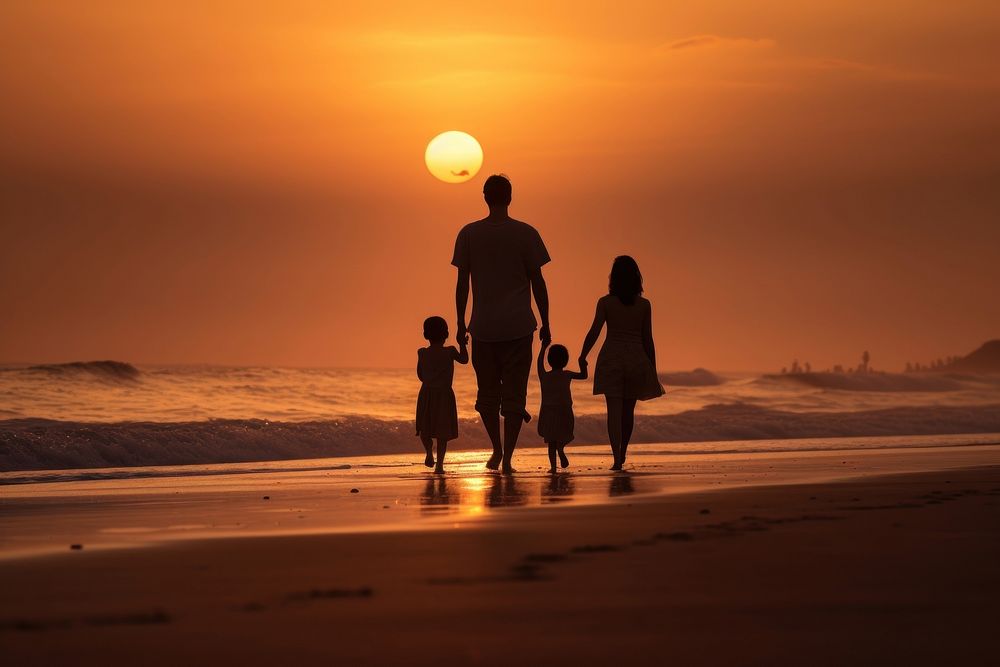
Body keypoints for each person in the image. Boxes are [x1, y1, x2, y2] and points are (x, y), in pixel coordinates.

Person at [453, 174, 551, 474]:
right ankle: (507, 455)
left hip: (483, 327)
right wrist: (546, 322)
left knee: (487, 396)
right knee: (514, 395)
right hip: (519, 327)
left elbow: (462, 284)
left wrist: (460, 322)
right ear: (510, 197)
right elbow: (538, 282)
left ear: (485, 197)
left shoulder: (469, 233)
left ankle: (496, 448)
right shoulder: (526, 233)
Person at [579, 256, 664, 470]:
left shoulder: (606, 302)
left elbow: (595, 331)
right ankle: (624, 450)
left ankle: (616, 457)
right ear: (637, 278)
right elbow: (648, 339)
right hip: (636, 359)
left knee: (614, 412)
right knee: (628, 412)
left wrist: (583, 354)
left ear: (613, 278)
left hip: (611, 359)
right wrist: (652, 367)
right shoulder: (644, 305)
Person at [415, 316, 468, 473]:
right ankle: (439, 465)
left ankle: (429, 453)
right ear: (446, 334)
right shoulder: (450, 351)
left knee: (425, 428)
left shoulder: (422, 353)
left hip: (427, 394)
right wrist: (462, 344)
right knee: (442, 433)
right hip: (444, 395)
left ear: (425, 335)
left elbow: (421, 376)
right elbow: (465, 360)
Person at [536, 340, 587, 472]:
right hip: (565, 410)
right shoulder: (567, 374)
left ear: (549, 360)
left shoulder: (544, 376)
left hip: (548, 411)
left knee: (551, 442)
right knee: (566, 434)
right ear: (565, 360)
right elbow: (584, 376)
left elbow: (539, 363)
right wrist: (583, 364)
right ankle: (561, 448)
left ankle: (553, 467)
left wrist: (543, 348)